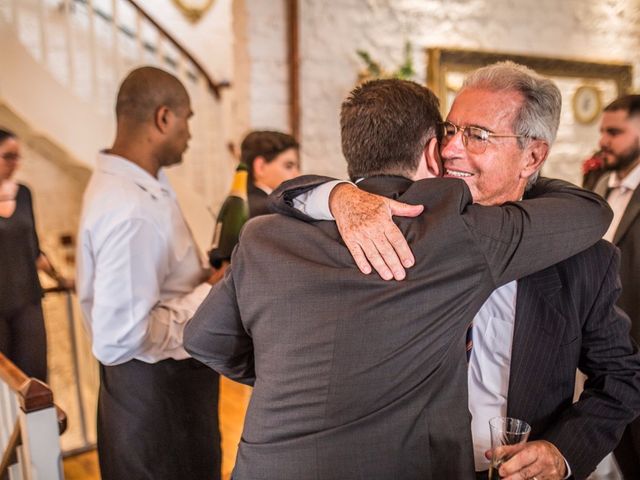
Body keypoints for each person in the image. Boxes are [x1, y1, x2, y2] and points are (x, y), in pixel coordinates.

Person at [185, 78, 612, 480]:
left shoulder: (264, 235)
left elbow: (204, 339)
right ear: (432, 151)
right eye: (450, 135)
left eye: (476, 135)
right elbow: (591, 211)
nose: (455, 151)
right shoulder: (456, 234)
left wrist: (296, 372)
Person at [76, 67, 221, 480]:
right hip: (158, 403)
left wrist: (197, 274)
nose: (189, 134)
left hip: (163, 392)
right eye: (188, 119)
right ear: (163, 118)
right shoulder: (129, 208)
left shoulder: (141, 182)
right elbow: (119, 337)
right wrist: (211, 292)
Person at [0, 128, 70, 381]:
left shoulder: (25, 194)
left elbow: (34, 250)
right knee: (5, 384)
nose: (15, 164)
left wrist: (60, 279)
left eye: (18, 157)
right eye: (8, 156)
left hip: (27, 301)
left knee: (36, 378)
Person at [594, 94, 640, 478]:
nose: (603, 141)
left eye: (615, 132)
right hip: (596, 338)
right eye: (602, 131)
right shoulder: (594, 181)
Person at [239, 130, 300, 217]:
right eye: (288, 166)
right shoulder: (270, 210)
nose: (297, 175)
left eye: (297, 167)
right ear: (260, 167)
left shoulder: (237, 205)